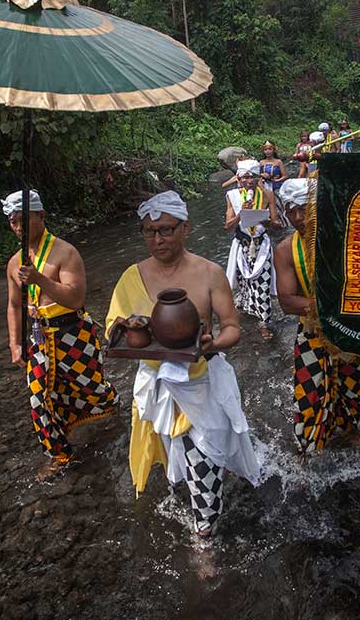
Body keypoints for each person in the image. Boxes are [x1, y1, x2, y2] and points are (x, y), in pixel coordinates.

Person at [107, 191, 261, 537]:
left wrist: (212, 343)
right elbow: (112, 325)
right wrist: (127, 324)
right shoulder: (132, 275)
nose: (157, 239)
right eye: (149, 231)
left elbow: (233, 328)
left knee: (203, 457)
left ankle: (205, 534)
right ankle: (196, 500)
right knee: (171, 458)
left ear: (185, 228)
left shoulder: (209, 273)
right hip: (156, 385)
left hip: (201, 383)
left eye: (166, 230)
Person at [3, 190, 118, 478]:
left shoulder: (65, 253)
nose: (18, 227)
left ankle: (114, 409)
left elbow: (76, 298)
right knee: (39, 399)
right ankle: (60, 455)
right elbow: (14, 304)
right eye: (13, 222)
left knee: (92, 390)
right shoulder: (14, 262)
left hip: (73, 334)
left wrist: (40, 279)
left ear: (41, 216)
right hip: (40, 339)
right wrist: (15, 344)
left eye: (24, 220)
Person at [274, 179, 360, 458]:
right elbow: (288, 302)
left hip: (350, 329)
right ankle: (308, 445)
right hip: (313, 329)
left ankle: (348, 428)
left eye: (305, 209)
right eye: (291, 211)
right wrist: (333, 308)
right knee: (309, 391)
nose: (299, 218)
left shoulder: (347, 239)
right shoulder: (285, 250)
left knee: (351, 386)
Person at [225, 160, 280, 340]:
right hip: (242, 245)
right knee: (244, 283)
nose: (249, 181)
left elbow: (277, 225)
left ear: (258, 178)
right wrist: (242, 214)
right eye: (246, 177)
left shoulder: (267, 194)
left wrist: (266, 221)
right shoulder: (232, 195)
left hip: (261, 243)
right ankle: (245, 308)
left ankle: (264, 321)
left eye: (253, 177)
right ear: (239, 179)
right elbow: (227, 226)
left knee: (263, 282)